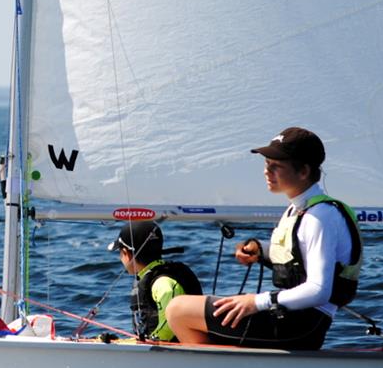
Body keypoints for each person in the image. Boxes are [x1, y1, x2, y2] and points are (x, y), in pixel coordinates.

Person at [166, 127, 362, 350]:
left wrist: (256, 302)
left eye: (276, 166)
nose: (267, 172)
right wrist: (260, 250)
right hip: (294, 318)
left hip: (303, 325)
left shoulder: (320, 216)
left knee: (178, 310)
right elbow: (299, 255)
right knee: (187, 311)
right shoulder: (299, 209)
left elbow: (319, 290)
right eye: (266, 164)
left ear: (304, 171)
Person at [108, 220, 202, 342]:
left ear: (126, 253)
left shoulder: (161, 282)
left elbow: (169, 326)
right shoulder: (151, 277)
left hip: (173, 354)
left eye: (120, 253)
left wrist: (150, 341)